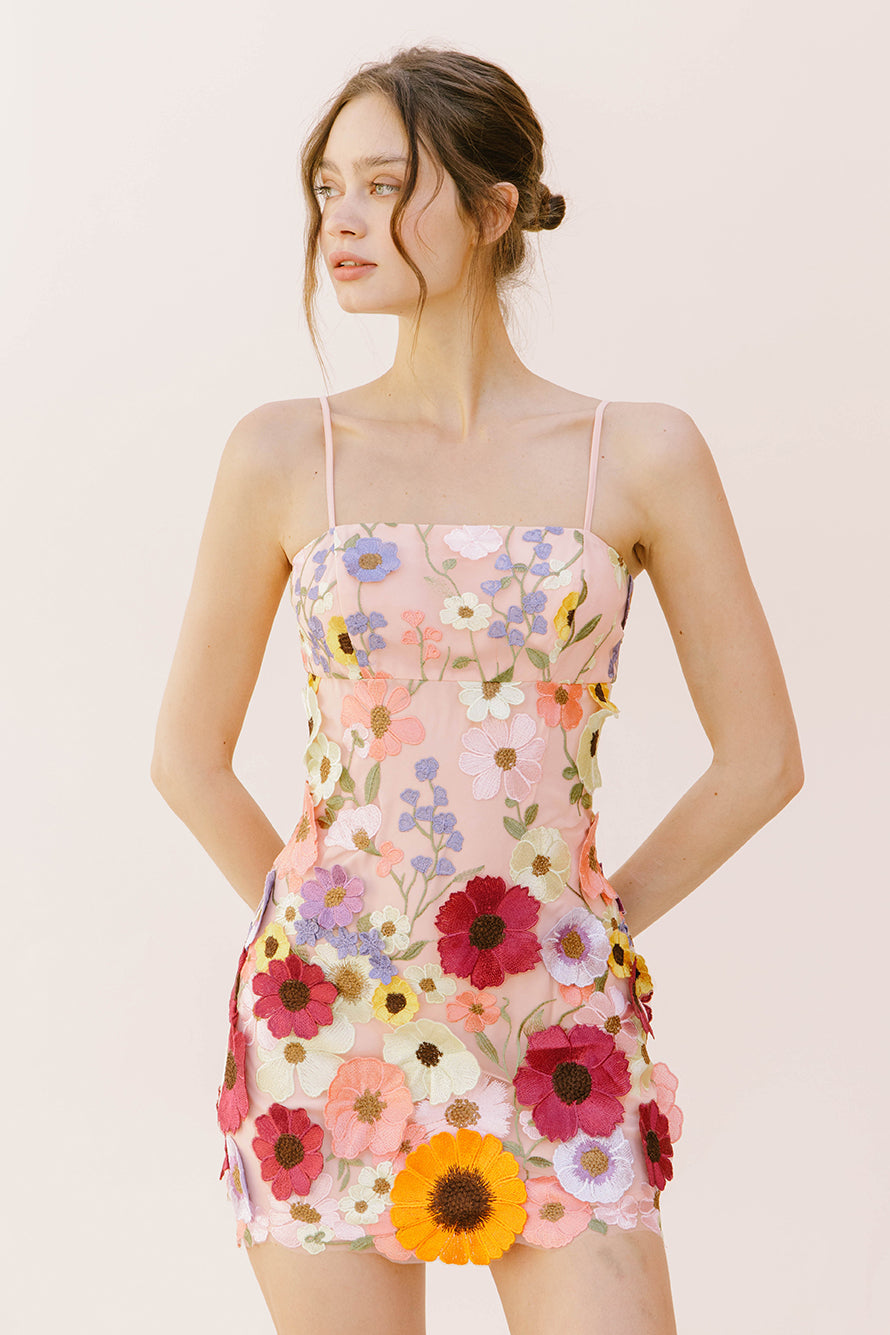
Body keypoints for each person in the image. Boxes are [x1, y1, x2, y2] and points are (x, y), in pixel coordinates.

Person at [151, 44, 803, 1335]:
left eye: (384, 184)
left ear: (494, 208)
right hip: (329, 1041)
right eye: (326, 185)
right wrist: (325, 945)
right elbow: (186, 756)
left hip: (556, 1034)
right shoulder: (286, 454)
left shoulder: (640, 454)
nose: (340, 218)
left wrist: (591, 933)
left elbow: (760, 763)